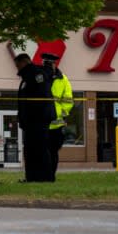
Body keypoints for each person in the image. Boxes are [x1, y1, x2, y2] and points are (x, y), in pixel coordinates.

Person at [14, 53, 54, 182]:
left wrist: (32, 117)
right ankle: (31, 177)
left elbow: (41, 97)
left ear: (24, 62)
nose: (17, 68)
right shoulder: (26, 78)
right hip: (30, 121)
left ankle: (45, 177)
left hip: (38, 120)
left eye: (18, 65)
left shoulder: (37, 75)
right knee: (30, 150)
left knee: (40, 149)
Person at [41, 53, 73, 181]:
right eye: (45, 63)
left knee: (53, 153)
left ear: (55, 64)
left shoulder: (63, 79)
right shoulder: (40, 77)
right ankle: (42, 176)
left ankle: (51, 176)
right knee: (42, 153)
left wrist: (61, 115)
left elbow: (68, 101)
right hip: (41, 124)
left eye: (50, 63)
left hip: (56, 125)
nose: (47, 66)